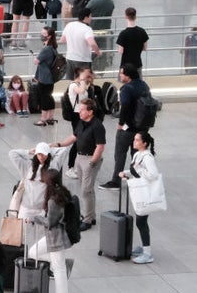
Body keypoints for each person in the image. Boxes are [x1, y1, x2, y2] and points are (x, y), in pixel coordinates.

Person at [52, 98, 106, 231]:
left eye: (82, 110)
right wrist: (60, 144)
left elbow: (100, 146)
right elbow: (74, 137)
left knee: (85, 190)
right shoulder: (81, 123)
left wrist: (93, 161)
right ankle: (91, 216)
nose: (79, 112)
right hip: (80, 157)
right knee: (88, 190)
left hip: (90, 159)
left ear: (90, 111)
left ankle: (87, 220)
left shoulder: (98, 126)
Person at [101, 64, 152, 191]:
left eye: (122, 73)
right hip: (142, 128)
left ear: (128, 76)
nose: (120, 75)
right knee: (137, 156)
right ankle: (138, 180)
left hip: (128, 129)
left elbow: (125, 108)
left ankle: (115, 182)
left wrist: (121, 124)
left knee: (120, 154)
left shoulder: (126, 89)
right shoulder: (144, 85)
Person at [26, 169, 74, 293]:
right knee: (33, 252)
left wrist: (34, 218)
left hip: (56, 237)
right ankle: (62, 263)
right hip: (58, 235)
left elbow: (50, 222)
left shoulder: (54, 200)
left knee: (59, 271)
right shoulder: (63, 192)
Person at [119, 131, 160, 264]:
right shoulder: (137, 155)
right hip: (139, 194)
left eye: (137, 140)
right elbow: (134, 171)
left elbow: (153, 175)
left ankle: (147, 253)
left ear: (145, 143)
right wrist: (126, 173)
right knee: (140, 222)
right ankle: (144, 248)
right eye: (134, 139)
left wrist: (139, 171)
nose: (134, 142)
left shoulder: (148, 157)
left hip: (146, 194)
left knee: (141, 222)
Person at [9, 141, 69, 220]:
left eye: (44, 154)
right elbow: (12, 154)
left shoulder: (52, 167)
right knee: (23, 231)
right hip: (26, 208)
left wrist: (49, 149)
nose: (41, 156)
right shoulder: (27, 166)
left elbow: (64, 150)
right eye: (39, 154)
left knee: (40, 232)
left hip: (42, 209)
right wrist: (28, 152)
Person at [60, 7, 101, 77]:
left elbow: (62, 40)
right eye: (90, 16)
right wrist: (98, 52)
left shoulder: (69, 25)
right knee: (83, 82)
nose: (91, 18)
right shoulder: (87, 29)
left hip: (70, 58)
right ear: (86, 17)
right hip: (82, 60)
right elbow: (92, 43)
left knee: (71, 82)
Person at [32, 26, 60, 126]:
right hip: (51, 77)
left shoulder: (46, 49)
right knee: (49, 97)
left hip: (44, 78)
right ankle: (50, 117)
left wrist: (36, 58)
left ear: (49, 36)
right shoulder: (53, 48)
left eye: (44, 34)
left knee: (44, 98)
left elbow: (36, 61)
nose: (42, 36)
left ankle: (43, 119)